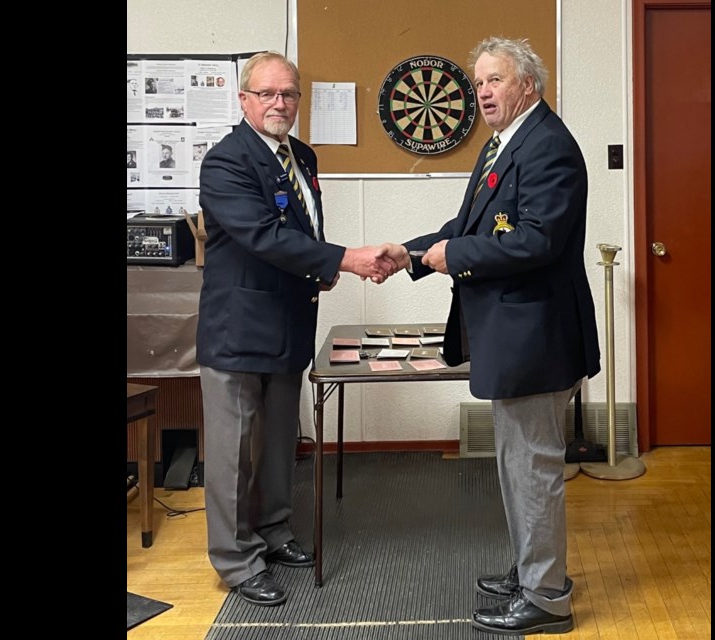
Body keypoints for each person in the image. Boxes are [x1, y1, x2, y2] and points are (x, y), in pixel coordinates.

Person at [381, 36, 601, 635]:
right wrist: (412, 251)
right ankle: (531, 570)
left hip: (538, 338)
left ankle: (546, 596)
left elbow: (537, 240)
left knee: (532, 469)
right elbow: (470, 226)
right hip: (514, 337)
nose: (481, 92)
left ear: (527, 85)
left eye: (494, 80)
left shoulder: (548, 146)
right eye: (478, 82)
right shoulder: (505, 144)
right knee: (516, 465)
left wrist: (455, 254)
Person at [196, 50, 401, 609]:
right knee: (234, 453)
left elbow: (302, 223)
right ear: (244, 100)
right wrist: (342, 260)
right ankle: (237, 560)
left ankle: (276, 531)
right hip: (237, 332)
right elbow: (262, 236)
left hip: (289, 323)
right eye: (267, 94)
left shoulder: (301, 155)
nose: (279, 103)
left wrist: (321, 268)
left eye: (288, 94)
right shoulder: (226, 162)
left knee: (281, 441)